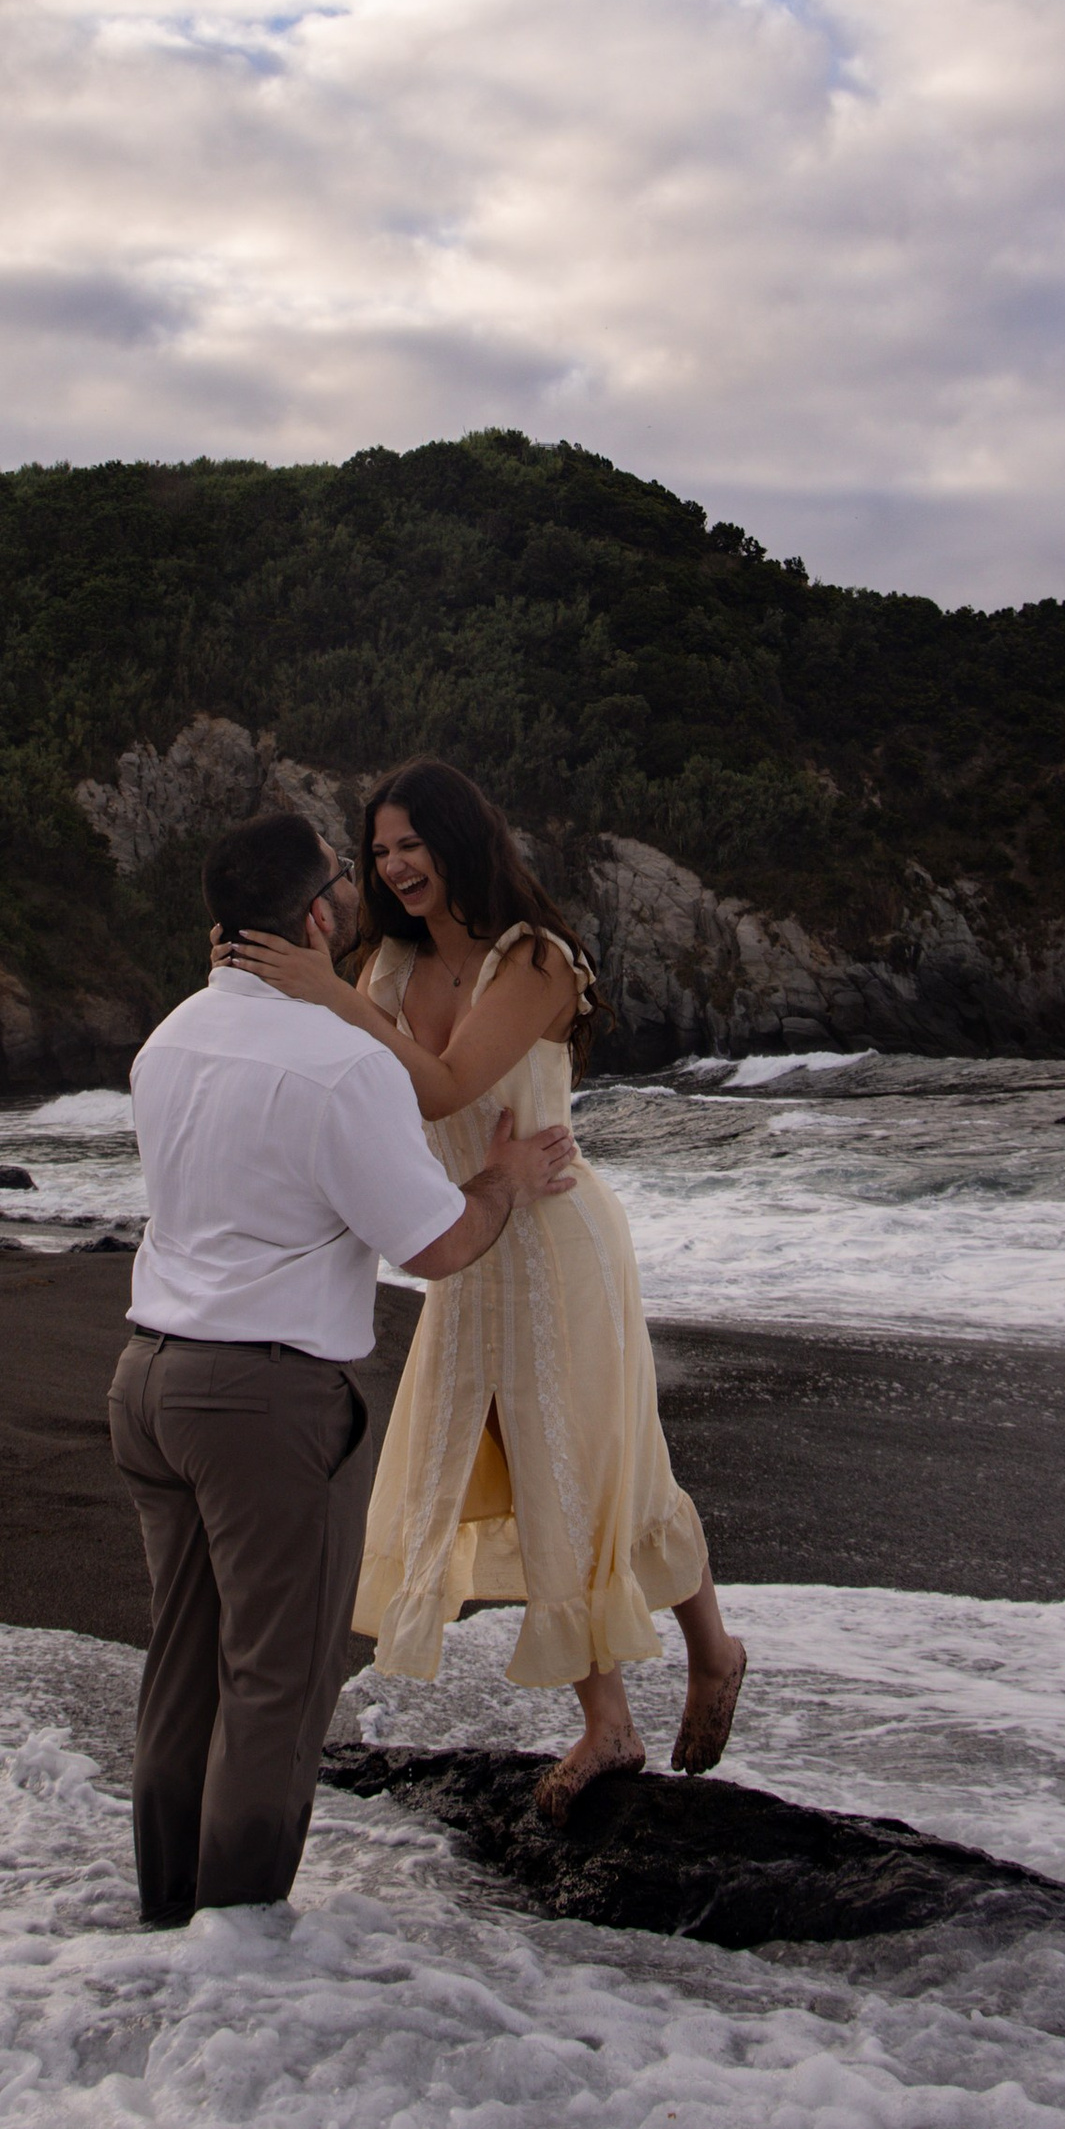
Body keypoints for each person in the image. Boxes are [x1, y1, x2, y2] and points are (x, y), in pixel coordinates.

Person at [221, 756, 746, 1822]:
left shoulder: (538, 959)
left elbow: (454, 1080)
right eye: (377, 852)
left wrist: (328, 992)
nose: (393, 867)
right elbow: (334, 1073)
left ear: (461, 841)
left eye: (410, 844)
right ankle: (611, 1725)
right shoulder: (382, 972)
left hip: (556, 1242)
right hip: (467, 1239)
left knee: (600, 1462)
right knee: (526, 1469)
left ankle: (713, 1654)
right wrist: (252, 978)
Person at [110, 805, 581, 1928]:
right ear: (317, 916)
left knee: (181, 1669)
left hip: (146, 1382)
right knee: (276, 1684)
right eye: (343, 881)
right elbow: (439, 1245)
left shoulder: (166, 1038)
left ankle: (162, 1919)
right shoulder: (335, 1064)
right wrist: (506, 1177)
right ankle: (235, 1940)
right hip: (262, 1402)